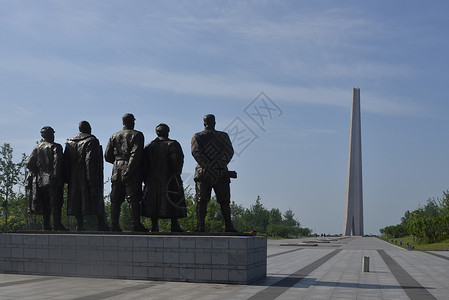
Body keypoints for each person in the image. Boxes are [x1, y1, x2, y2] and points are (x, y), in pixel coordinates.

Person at [191, 114, 238, 232]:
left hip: (204, 173)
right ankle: (228, 226)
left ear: (204, 123)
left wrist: (209, 166)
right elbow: (229, 152)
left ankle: (200, 226)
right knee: (224, 201)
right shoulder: (223, 136)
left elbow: (196, 153)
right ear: (215, 123)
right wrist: (217, 166)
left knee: (202, 201)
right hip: (220, 173)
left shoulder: (197, 136)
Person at [105, 113, 147, 232]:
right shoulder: (137, 135)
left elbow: (107, 156)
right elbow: (136, 154)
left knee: (115, 198)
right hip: (131, 168)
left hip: (116, 169)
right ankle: (136, 224)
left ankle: (114, 224)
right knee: (133, 198)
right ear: (133, 122)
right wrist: (129, 169)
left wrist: (118, 162)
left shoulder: (114, 136)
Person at [64, 121, 109, 231]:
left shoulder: (69, 142)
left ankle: (80, 224)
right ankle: (101, 223)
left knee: (76, 198)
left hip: (73, 175)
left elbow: (65, 161)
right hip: (86, 172)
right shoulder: (92, 141)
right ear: (88, 128)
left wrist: (66, 177)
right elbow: (90, 160)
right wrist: (91, 178)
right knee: (94, 196)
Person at [141, 123, 187, 232]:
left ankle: (154, 225)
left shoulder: (149, 146)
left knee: (153, 201)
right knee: (173, 199)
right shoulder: (173, 144)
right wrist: (176, 173)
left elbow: (143, 164)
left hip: (152, 179)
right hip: (170, 178)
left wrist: (144, 177)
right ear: (168, 132)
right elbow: (177, 161)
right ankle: (174, 225)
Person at [25, 126, 67, 231]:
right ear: (51, 134)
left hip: (40, 180)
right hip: (52, 178)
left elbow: (29, 163)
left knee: (45, 203)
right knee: (56, 202)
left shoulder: (37, 148)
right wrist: (57, 177)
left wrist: (38, 171)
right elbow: (57, 163)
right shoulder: (56, 147)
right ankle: (57, 224)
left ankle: (46, 225)